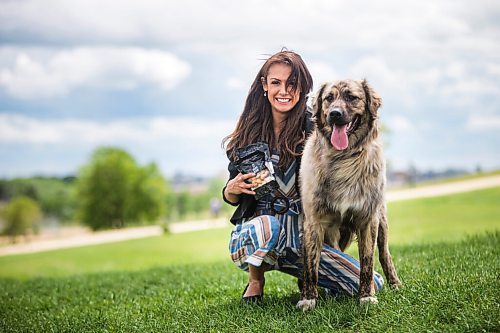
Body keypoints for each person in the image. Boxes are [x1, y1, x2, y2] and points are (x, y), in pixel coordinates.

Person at [221, 49, 384, 303]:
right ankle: (255, 280)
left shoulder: (317, 126)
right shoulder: (248, 132)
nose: (283, 90)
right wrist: (230, 189)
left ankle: (306, 272)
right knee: (267, 227)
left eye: (292, 83)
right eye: (276, 82)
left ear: (302, 88)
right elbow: (232, 195)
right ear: (265, 85)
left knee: (372, 283)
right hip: (260, 235)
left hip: (302, 239)